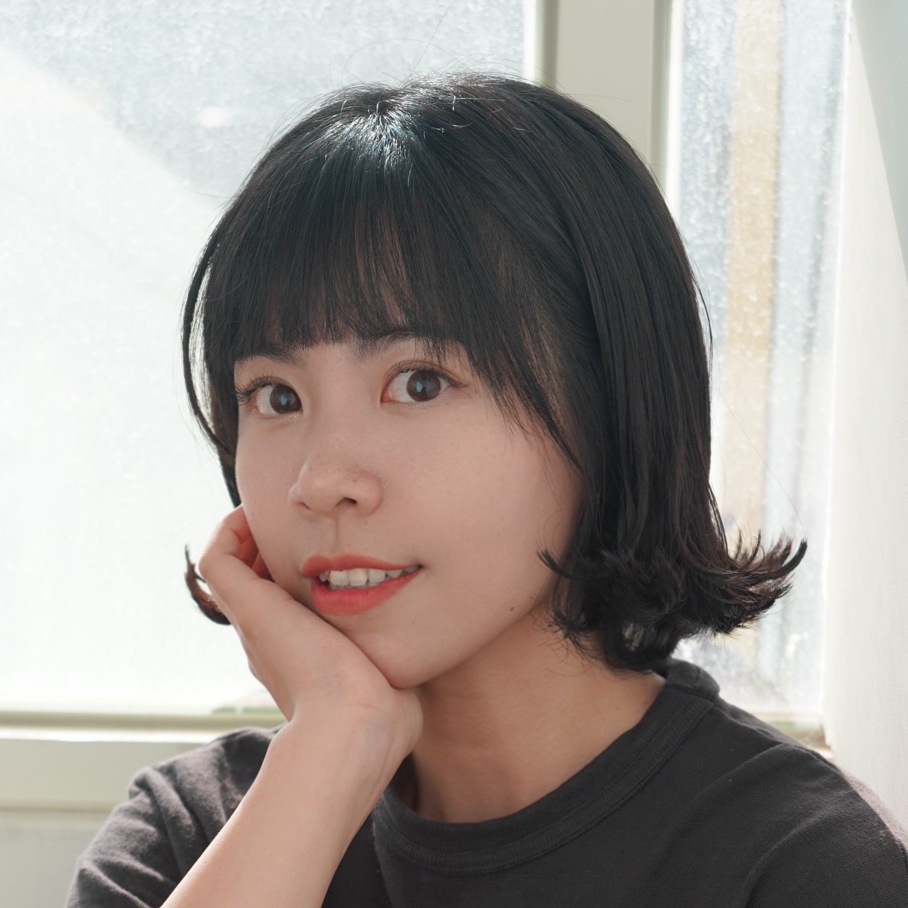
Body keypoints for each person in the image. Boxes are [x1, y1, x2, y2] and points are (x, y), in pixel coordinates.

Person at [67, 73, 908, 907]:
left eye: (419, 382)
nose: (319, 482)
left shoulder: (801, 867)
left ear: (608, 403)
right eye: (276, 397)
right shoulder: (191, 836)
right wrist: (332, 746)